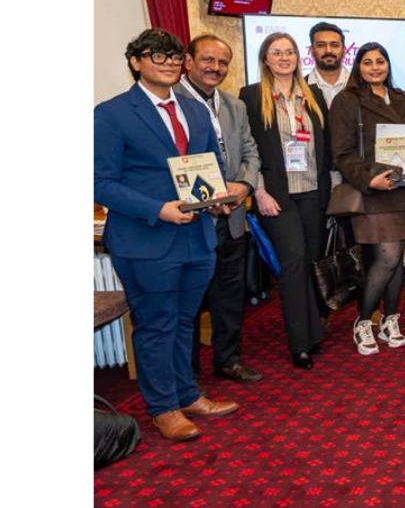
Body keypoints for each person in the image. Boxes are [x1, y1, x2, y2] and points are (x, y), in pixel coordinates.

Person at [95, 28, 238, 442]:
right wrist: (157, 209)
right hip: (145, 239)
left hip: (197, 237)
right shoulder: (111, 113)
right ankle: (163, 407)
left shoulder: (195, 111)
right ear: (136, 61)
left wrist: (217, 198)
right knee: (156, 325)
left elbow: (208, 166)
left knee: (184, 322)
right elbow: (100, 182)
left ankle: (186, 394)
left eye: (175, 57)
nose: (169, 63)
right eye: (157, 56)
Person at [328, 42, 405, 354]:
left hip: (404, 189)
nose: (375, 67)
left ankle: (390, 320)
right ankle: (362, 322)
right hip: (373, 190)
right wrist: (369, 179)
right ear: (358, 67)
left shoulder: (400, 98)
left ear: (388, 65)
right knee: (387, 258)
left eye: (380, 61)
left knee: (397, 259)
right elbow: (342, 152)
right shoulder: (347, 100)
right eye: (368, 62)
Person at [176, 33, 264, 383]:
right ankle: (188, 374)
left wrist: (243, 185)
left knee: (229, 294)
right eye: (208, 60)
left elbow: (250, 152)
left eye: (223, 62)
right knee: (189, 301)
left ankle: (228, 360)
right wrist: (206, 198)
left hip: (233, 214)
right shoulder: (170, 101)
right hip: (192, 218)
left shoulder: (234, 105)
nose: (215, 67)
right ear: (188, 61)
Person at [240, 32, 330, 369]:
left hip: (312, 190)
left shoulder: (313, 94)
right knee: (292, 261)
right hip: (276, 196)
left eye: (289, 52)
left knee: (309, 261)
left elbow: (325, 145)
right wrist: (259, 190)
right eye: (276, 52)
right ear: (265, 59)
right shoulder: (251, 96)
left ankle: (313, 333)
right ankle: (299, 343)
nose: (283, 57)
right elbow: (247, 148)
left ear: (298, 57)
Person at [306, 21, 351, 109]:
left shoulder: (360, 86)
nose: (328, 50)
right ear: (312, 51)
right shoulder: (300, 87)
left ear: (344, 50)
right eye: (321, 45)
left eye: (334, 45)